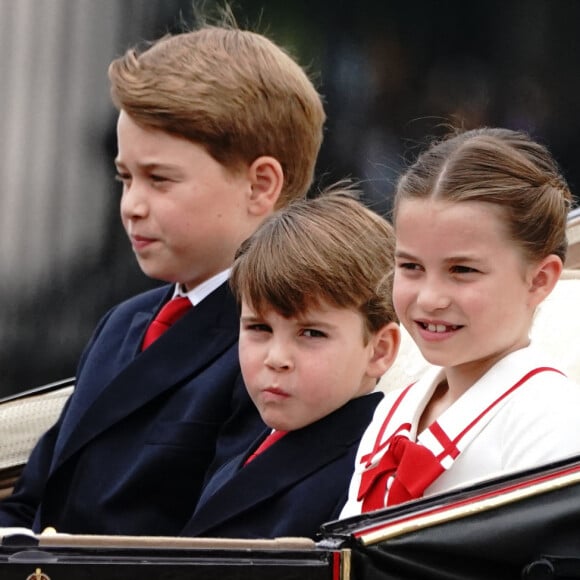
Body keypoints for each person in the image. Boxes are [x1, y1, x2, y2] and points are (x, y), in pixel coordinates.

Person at [0, 21, 325, 535]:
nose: (131, 206)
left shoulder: (279, 346)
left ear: (260, 185)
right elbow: (33, 500)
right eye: (125, 178)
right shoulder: (122, 324)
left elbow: (217, 539)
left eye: (160, 179)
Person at [341, 127, 580, 517]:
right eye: (411, 266)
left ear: (539, 279)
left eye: (463, 270)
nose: (430, 298)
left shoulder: (555, 421)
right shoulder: (393, 410)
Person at [179, 190, 400, 539]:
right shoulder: (250, 440)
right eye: (258, 328)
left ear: (379, 350)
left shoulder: (366, 476)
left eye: (310, 333)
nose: (276, 358)